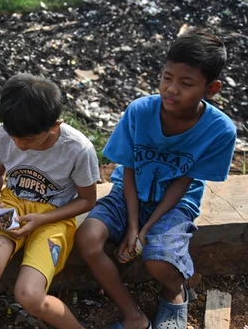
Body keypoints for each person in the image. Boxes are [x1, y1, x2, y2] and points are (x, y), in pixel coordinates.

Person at [75, 30, 237, 329]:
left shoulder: (219, 130)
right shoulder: (140, 111)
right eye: (166, 77)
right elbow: (129, 170)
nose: (171, 89)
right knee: (87, 238)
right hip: (127, 195)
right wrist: (133, 225)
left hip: (176, 205)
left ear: (211, 88)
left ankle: (175, 291)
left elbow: (184, 182)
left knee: (158, 260)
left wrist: (146, 230)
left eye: (186, 84)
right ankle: (133, 315)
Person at [0, 73, 100, 329]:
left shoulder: (78, 149)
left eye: (27, 140)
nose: (18, 144)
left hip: (54, 217)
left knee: (29, 295)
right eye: (13, 137)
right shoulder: (6, 132)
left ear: (54, 126)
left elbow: (87, 201)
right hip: (11, 206)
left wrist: (43, 219)